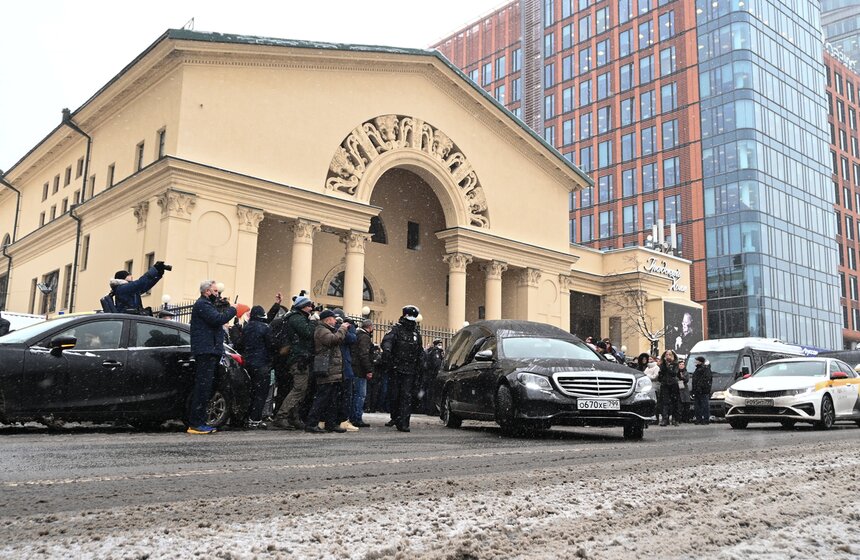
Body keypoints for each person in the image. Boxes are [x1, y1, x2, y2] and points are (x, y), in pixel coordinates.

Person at [188, 280, 236, 435]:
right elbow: (217, 319)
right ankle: (196, 423)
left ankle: (200, 421)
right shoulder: (202, 304)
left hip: (210, 350)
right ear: (206, 291)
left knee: (207, 388)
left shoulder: (206, 305)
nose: (218, 294)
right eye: (215, 291)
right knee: (203, 388)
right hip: (206, 351)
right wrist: (233, 310)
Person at [272, 294, 317, 430]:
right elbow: (308, 332)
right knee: (299, 389)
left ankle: (293, 417)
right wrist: (314, 321)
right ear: (303, 307)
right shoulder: (296, 318)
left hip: (300, 357)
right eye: (309, 306)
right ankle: (282, 416)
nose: (311, 308)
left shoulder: (297, 317)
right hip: (299, 358)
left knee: (298, 389)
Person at [305, 309, 350, 433]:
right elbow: (334, 340)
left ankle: (331, 423)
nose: (335, 321)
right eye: (333, 318)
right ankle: (311, 423)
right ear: (327, 319)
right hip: (327, 370)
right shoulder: (321, 330)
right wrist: (343, 328)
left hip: (332, 371)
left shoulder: (326, 330)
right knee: (322, 398)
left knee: (332, 399)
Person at [382, 305, 424, 432]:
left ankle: (404, 422)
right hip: (396, 368)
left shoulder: (416, 333)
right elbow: (387, 342)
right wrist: (388, 353)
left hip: (410, 369)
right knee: (395, 395)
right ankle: (395, 417)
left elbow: (419, 351)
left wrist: (420, 366)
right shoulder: (396, 329)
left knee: (406, 396)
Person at [241, 305, 275, 429]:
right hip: (261, 364)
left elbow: (240, 344)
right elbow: (271, 345)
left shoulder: (246, 327)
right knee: (261, 393)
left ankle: (246, 418)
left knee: (250, 391)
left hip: (248, 363)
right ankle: (255, 419)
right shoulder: (265, 328)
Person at [332, 309, 359, 432]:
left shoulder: (331, 328)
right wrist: (343, 327)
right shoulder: (337, 329)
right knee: (345, 395)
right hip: (342, 367)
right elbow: (352, 339)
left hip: (337, 366)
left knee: (338, 395)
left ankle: (336, 420)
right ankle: (342, 420)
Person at [351, 318, 376, 428]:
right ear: (370, 327)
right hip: (360, 370)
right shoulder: (365, 337)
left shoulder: (358, 335)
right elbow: (364, 355)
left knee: (356, 394)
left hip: (355, 368)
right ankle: (357, 417)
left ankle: (354, 416)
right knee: (360, 395)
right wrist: (369, 369)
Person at [419, 339, 445, 415]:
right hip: (432, 376)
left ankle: (425, 408)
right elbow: (437, 364)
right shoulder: (436, 352)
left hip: (427, 375)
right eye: (439, 344)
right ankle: (431, 410)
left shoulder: (430, 351)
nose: (441, 345)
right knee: (431, 393)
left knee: (425, 392)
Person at [657, 349, 682, 427]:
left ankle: (675, 419)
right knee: (665, 402)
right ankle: (665, 419)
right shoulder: (663, 364)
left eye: (669, 355)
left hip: (673, 385)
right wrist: (664, 365)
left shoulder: (675, 364)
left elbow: (674, 373)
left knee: (675, 402)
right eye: (666, 355)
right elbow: (661, 374)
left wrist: (668, 367)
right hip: (665, 385)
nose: (668, 356)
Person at [691, 356, 713, 425]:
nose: (695, 362)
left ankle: (705, 419)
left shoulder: (705, 369)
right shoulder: (698, 369)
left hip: (703, 391)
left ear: (700, 362)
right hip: (697, 391)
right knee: (697, 406)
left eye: (696, 361)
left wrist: (700, 387)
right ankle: (699, 419)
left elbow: (705, 380)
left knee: (704, 405)